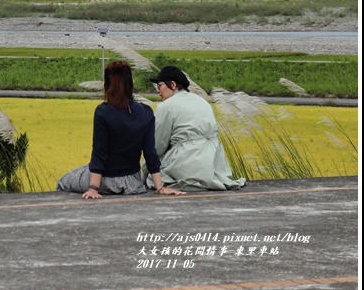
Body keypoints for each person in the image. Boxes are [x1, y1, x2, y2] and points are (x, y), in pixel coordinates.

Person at [56, 61, 185, 199]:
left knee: (63, 182)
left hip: (107, 180)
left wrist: (93, 188)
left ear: (107, 85)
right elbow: (150, 153)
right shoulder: (146, 112)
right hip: (133, 182)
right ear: (131, 84)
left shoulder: (102, 112)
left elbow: (99, 152)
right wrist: (160, 187)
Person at [144, 65, 246, 191]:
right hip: (214, 166)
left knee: (153, 178)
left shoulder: (166, 106)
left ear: (173, 84)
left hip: (185, 164)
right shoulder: (203, 102)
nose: (158, 91)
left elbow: (158, 146)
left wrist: (144, 172)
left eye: (159, 86)